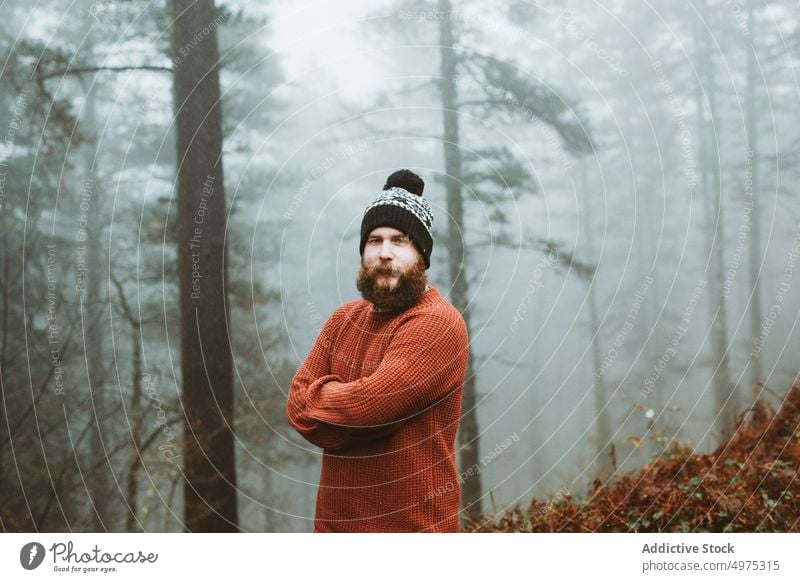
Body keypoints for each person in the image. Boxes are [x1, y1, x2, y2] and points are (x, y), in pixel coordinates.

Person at [286, 169, 469, 532]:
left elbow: (371, 409)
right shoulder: (343, 319)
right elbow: (295, 406)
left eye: (399, 241)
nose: (385, 253)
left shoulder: (437, 324)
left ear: (421, 253)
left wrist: (325, 403)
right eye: (374, 240)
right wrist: (345, 414)